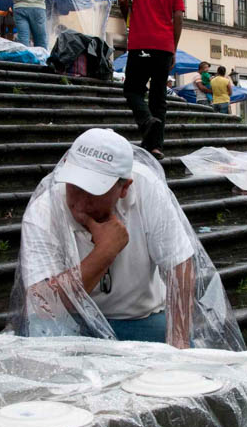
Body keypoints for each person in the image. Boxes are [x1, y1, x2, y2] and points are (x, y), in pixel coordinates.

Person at [17, 128, 197, 345]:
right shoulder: (43, 212)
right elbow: (43, 304)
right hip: (70, 322)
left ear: (124, 188)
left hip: (138, 319)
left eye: (94, 192)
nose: (81, 204)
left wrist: (178, 345)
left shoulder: (147, 189)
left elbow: (180, 264)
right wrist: (104, 252)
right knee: (40, 338)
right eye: (75, 188)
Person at [118, 0, 184, 159]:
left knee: (133, 90)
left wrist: (129, 18)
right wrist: (173, 47)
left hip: (141, 43)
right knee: (159, 98)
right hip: (164, 46)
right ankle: (155, 147)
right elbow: (178, 17)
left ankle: (146, 121)